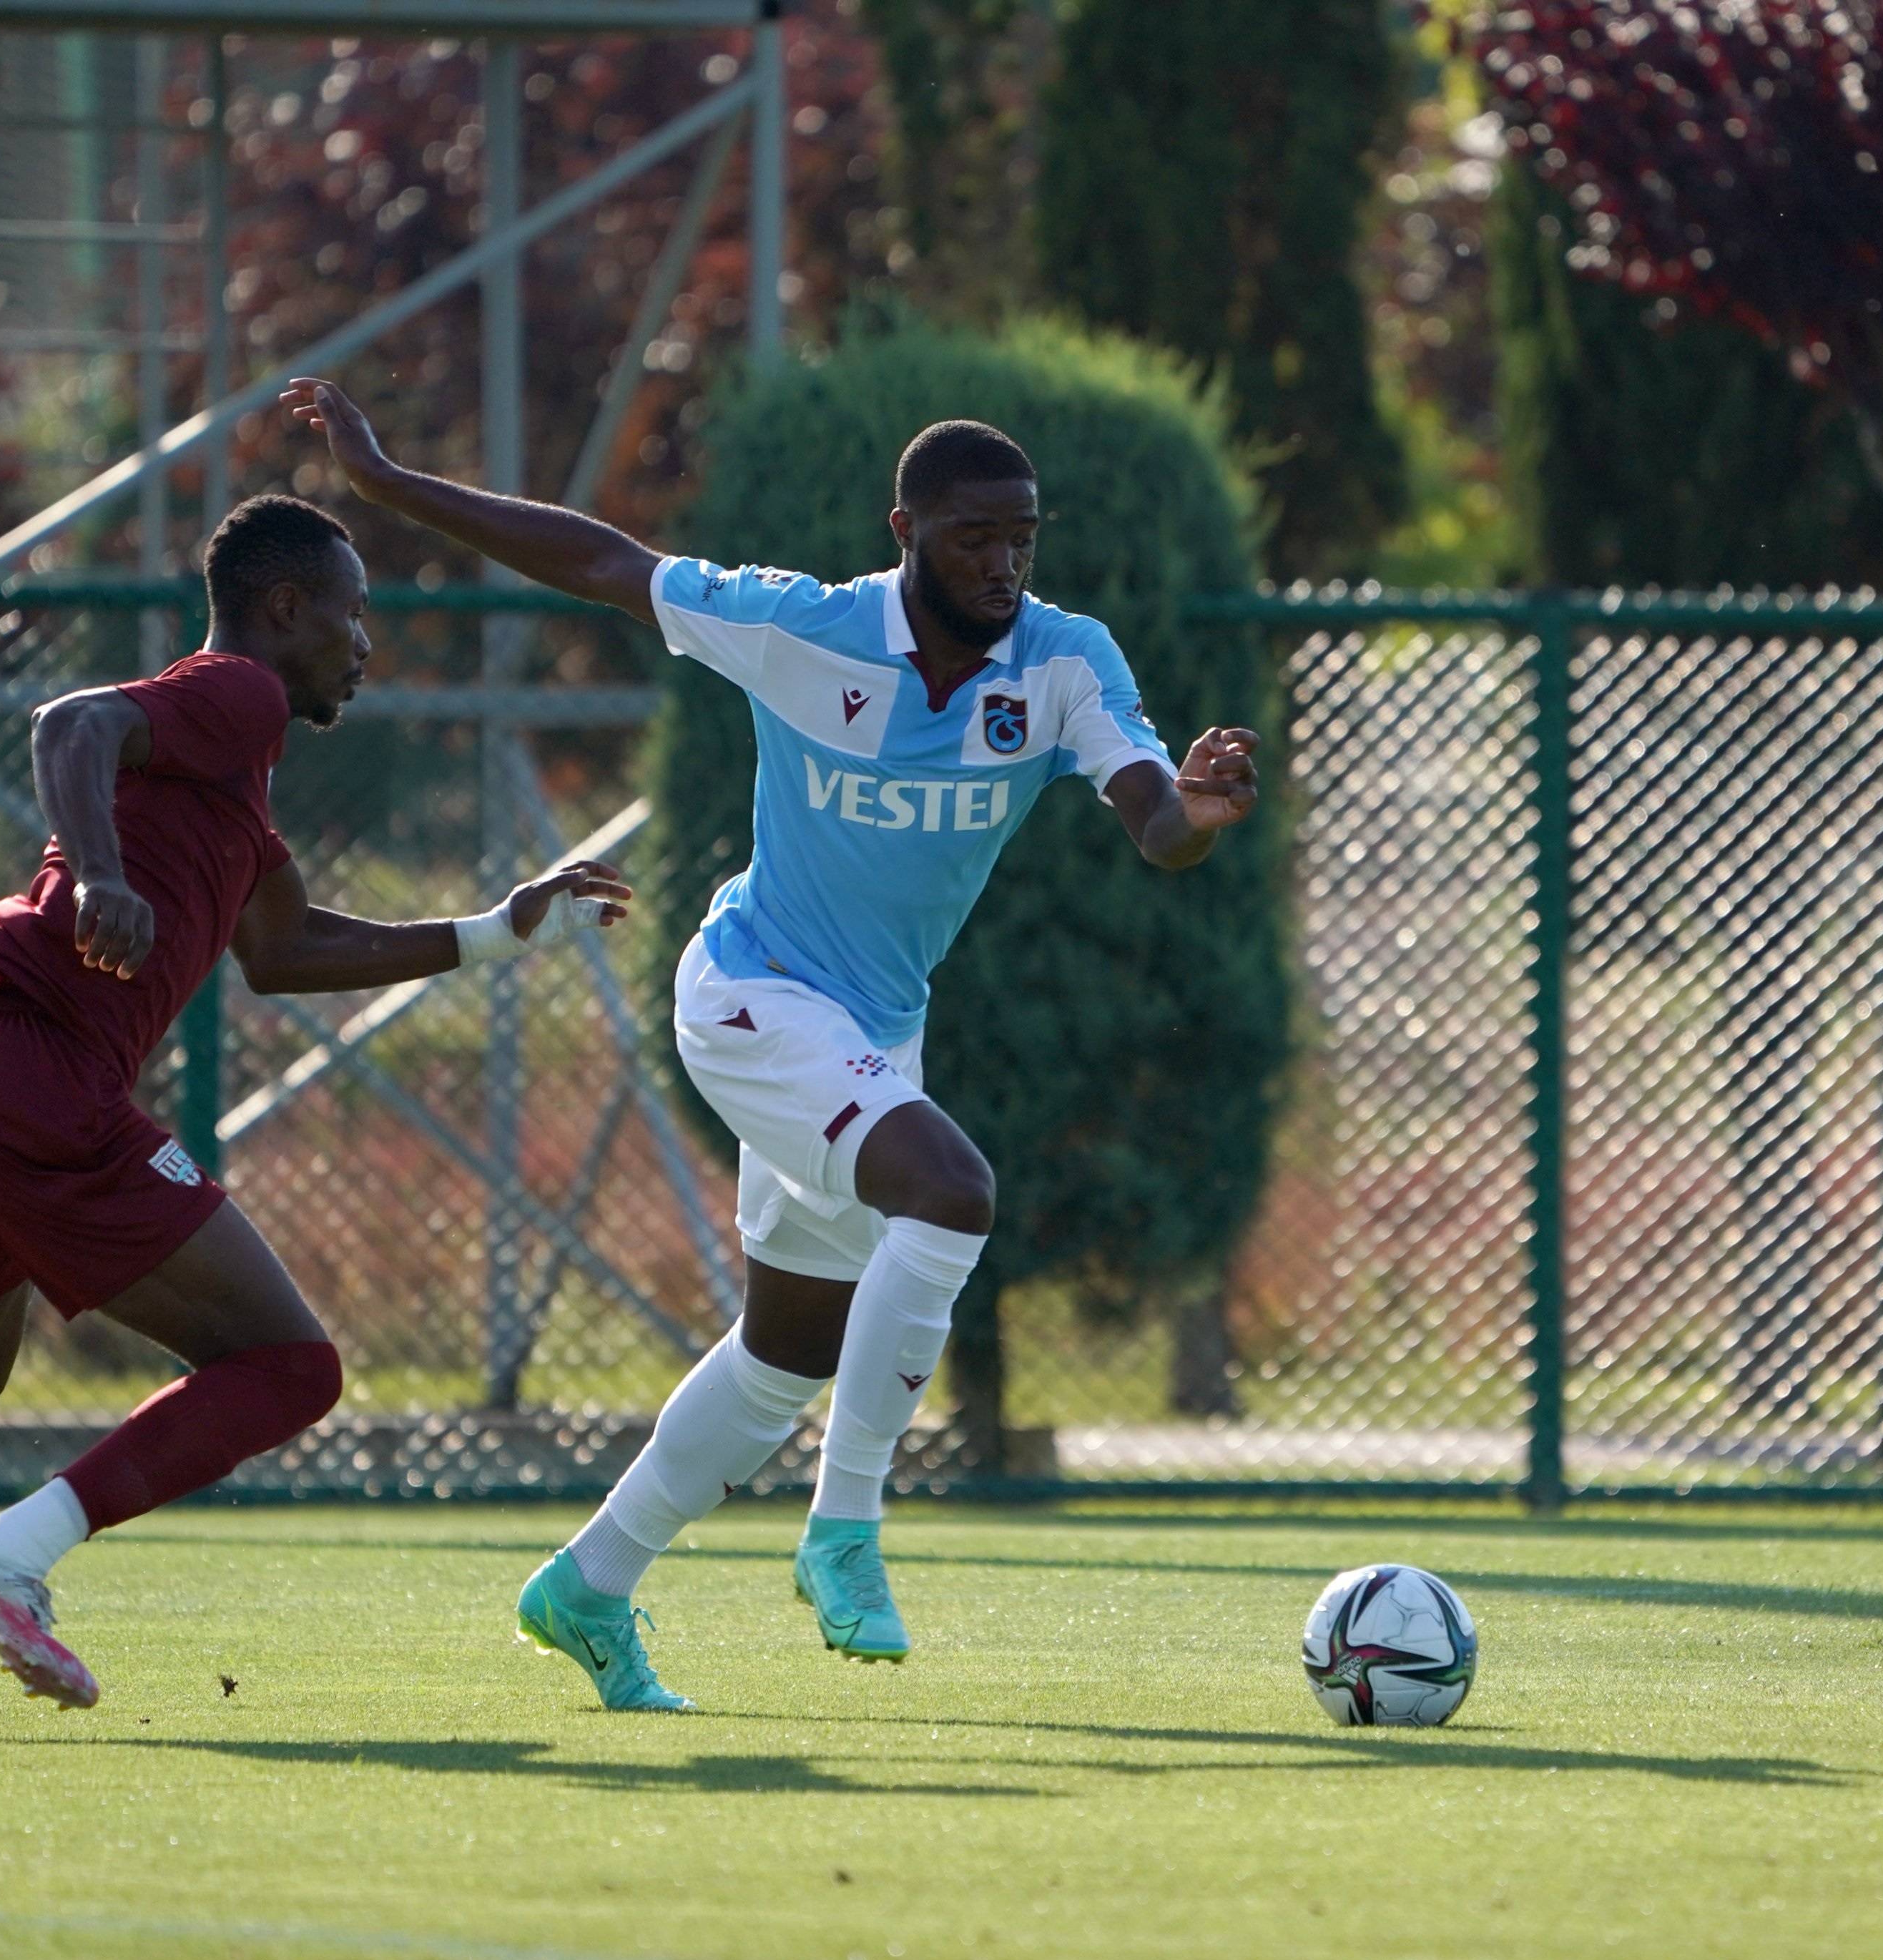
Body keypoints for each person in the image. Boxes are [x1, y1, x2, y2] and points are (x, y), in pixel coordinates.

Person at [282, 378, 1261, 1713]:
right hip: (751, 994)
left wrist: (1197, 816)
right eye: (976, 537)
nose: (1005, 563)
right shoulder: (802, 627)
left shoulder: (1065, 661)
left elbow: (1153, 819)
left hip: (875, 1039)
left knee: (787, 1354)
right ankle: (844, 1532)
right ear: (906, 529)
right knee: (956, 1194)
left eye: (1023, 536)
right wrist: (391, 485)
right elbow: (600, 561)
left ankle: (587, 1586)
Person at [0, 493, 631, 1738]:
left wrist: (496, 934)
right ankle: (9, 1556)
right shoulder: (243, 693)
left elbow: (285, 948)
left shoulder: (236, 783)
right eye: (352, 614)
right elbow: (74, 723)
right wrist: (100, 872)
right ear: (284, 610)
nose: (365, 642)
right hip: (39, 1080)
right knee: (290, 1365)